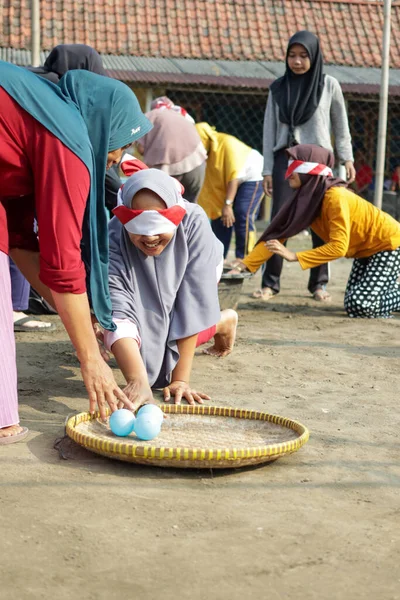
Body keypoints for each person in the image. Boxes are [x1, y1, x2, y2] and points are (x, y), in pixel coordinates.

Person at [0, 61, 152, 443]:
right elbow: (62, 261)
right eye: (122, 142)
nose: (118, 157)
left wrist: (83, 323)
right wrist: (92, 361)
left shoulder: (40, 109)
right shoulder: (66, 138)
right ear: (104, 121)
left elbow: (20, 239)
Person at [102, 162, 238, 408]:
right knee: (138, 346)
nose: (151, 238)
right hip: (141, 277)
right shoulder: (114, 235)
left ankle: (220, 321)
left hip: (198, 275)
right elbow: (117, 308)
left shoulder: (194, 222)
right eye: (140, 230)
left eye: (158, 229)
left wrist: (180, 380)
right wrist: (137, 380)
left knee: (175, 333)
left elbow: (192, 302)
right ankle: (218, 322)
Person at [11, 44, 118, 329]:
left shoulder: (32, 84)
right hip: (41, 178)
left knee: (18, 234)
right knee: (58, 244)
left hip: (18, 181)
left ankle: (19, 306)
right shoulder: (66, 108)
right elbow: (62, 261)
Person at [230, 145, 400, 319]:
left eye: (293, 168)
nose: (287, 174)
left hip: (388, 245)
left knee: (361, 305)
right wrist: (244, 266)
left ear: (307, 172)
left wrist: (294, 256)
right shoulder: (306, 198)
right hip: (365, 251)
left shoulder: (335, 197)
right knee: (353, 303)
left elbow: (338, 247)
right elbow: (277, 235)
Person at [257, 30, 355, 302]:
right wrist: (267, 169)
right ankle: (270, 283)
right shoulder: (278, 87)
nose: (297, 62)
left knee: (320, 221)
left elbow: (340, 124)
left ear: (314, 56)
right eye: (292, 55)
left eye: (303, 56)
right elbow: (268, 130)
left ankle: (318, 284)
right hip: (285, 161)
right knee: (280, 219)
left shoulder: (329, 85)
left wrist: (347, 159)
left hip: (319, 161)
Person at [195, 122, 264, 260]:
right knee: (219, 216)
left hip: (251, 175)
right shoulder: (204, 152)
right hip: (230, 182)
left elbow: (234, 176)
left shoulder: (226, 143)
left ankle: (244, 259)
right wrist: (222, 208)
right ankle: (218, 258)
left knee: (242, 213)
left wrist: (228, 204)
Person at [136, 109, 207, 204]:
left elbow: (141, 148)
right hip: (196, 163)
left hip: (167, 167)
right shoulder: (181, 114)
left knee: (162, 204)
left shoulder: (149, 116)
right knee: (190, 206)